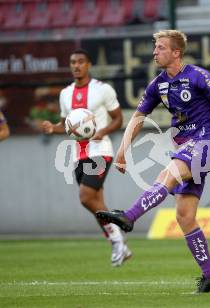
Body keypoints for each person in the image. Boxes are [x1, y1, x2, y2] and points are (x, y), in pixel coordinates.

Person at [96, 30, 210, 293]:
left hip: (205, 143)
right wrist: (122, 150)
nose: (154, 52)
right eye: (154, 47)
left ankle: (129, 216)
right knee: (184, 216)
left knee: (168, 174)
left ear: (176, 52)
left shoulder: (198, 75)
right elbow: (137, 118)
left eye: (160, 47)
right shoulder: (157, 85)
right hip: (185, 146)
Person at [41, 49, 131, 267]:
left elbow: (118, 119)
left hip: (100, 151)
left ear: (89, 64)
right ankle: (120, 246)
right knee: (97, 203)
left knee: (85, 197)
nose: (76, 66)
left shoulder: (102, 90)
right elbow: (67, 125)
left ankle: (117, 237)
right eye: (73, 62)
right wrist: (53, 128)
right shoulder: (65, 94)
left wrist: (104, 131)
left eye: (81, 62)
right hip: (78, 155)